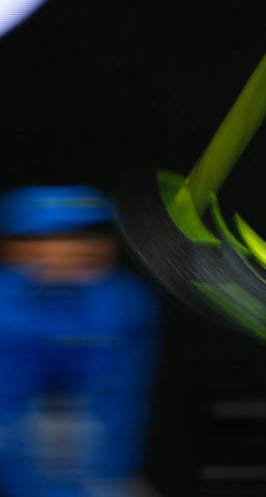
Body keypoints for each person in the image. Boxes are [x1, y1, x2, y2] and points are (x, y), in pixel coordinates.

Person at [0, 185, 160, 497]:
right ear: (15, 245)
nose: (77, 248)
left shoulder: (125, 300)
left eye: (88, 235)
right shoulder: (7, 304)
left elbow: (120, 398)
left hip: (100, 466)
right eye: (55, 237)